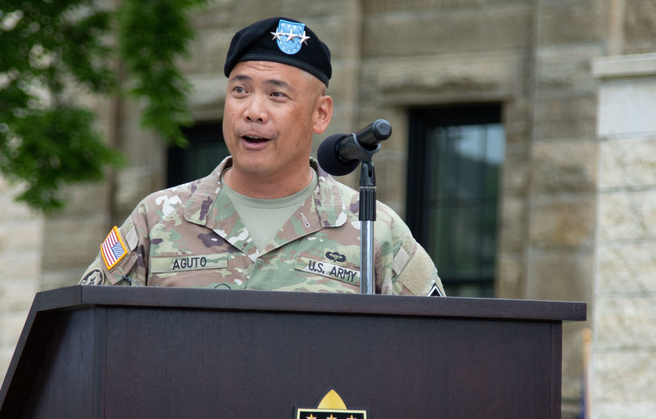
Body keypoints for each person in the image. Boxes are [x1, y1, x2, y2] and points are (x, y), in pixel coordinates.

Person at [78, 17, 445, 296]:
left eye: (277, 95)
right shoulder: (157, 218)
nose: (253, 111)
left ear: (320, 113)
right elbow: (88, 329)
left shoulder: (373, 229)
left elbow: (437, 344)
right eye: (240, 90)